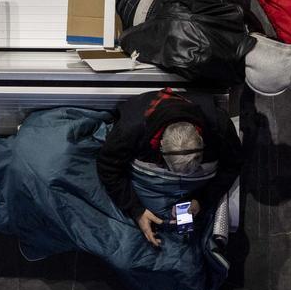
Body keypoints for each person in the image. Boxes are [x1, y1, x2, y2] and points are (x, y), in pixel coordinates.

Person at [97, 88, 243, 248]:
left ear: (201, 139)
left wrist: (202, 200)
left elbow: (233, 164)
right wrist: (136, 210)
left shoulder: (219, 126)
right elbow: (107, 166)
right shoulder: (130, 129)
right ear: (160, 146)